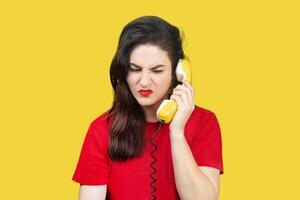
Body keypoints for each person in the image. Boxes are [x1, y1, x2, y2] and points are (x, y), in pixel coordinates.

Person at [72, 15, 224, 200]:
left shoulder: (204, 122)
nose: (144, 81)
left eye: (157, 70)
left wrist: (177, 133)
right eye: (135, 69)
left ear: (178, 72)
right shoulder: (102, 129)